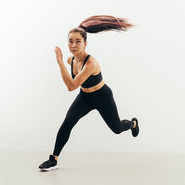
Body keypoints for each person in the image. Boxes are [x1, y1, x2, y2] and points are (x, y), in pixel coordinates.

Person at [39, 15, 139, 171]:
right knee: (67, 122)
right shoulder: (71, 61)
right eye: (70, 41)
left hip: (102, 97)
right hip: (85, 97)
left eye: (78, 41)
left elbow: (71, 86)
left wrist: (59, 62)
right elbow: (74, 86)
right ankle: (53, 159)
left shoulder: (90, 63)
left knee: (117, 128)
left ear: (85, 44)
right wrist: (63, 62)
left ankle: (133, 123)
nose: (73, 45)